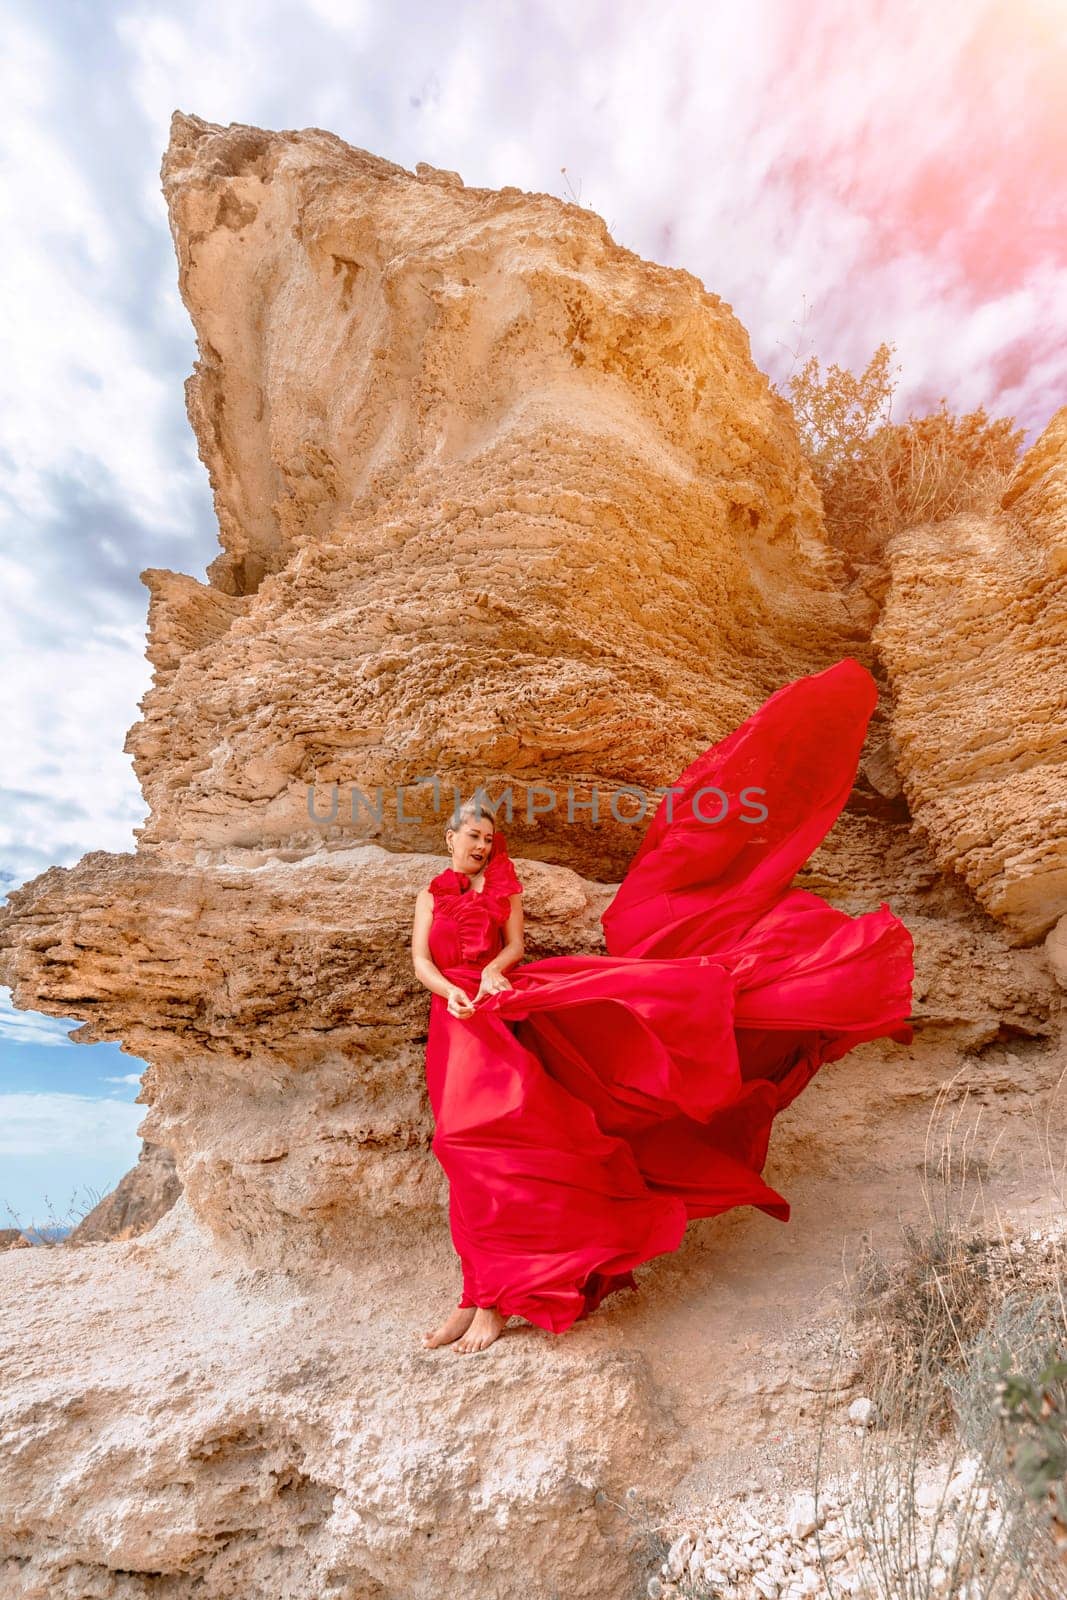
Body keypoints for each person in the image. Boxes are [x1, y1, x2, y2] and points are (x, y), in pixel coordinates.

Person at [410, 657, 915, 1354]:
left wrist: (493, 976)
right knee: (456, 1147)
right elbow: (421, 962)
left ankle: (501, 1298)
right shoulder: (431, 894)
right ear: (449, 840)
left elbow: (511, 950)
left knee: (496, 1145)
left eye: (487, 839)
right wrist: (454, 990)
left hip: (494, 1011)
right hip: (453, 1016)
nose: (480, 845)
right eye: (470, 837)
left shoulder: (505, 891)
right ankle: (474, 1296)